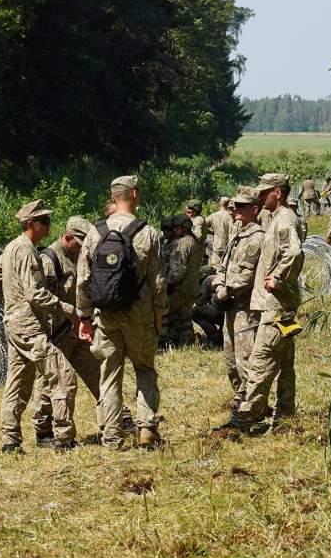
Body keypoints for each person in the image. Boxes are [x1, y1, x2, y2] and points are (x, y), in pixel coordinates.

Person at [76, 176, 167, 449]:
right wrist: (159, 315)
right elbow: (159, 281)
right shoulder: (148, 232)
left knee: (110, 374)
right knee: (144, 370)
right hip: (139, 315)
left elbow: (83, 279)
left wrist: (84, 317)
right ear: (135, 194)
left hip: (107, 315)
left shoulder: (95, 232)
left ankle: (112, 436)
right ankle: (147, 428)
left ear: (113, 196)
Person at [0, 200, 78, 453]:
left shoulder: (12, 247)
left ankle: (10, 441)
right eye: (43, 221)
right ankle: (64, 438)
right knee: (62, 375)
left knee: (18, 382)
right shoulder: (26, 250)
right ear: (30, 224)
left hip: (15, 324)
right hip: (29, 326)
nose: (48, 225)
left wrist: (10, 302)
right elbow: (35, 293)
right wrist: (68, 310)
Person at [220, 173, 305, 431]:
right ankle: (285, 414)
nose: (260, 196)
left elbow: (294, 251)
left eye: (264, 191)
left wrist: (277, 279)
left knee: (261, 360)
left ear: (277, 192)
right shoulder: (280, 218)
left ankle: (247, 415)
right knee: (284, 361)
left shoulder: (284, 220)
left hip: (276, 305)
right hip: (280, 304)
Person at [31, 216, 112, 451]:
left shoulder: (82, 256)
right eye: (78, 242)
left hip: (79, 330)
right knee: (54, 384)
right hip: (57, 332)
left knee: (98, 372)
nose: (81, 246)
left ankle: (115, 419)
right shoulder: (49, 259)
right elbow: (39, 298)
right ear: (67, 237)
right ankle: (45, 431)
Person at [213, 188, 265, 411]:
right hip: (230, 305)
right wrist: (218, 283)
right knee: (230, 357)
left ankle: (254, 402)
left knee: (246, 357)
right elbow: (223, 264)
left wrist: (227, 288)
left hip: (245, 306)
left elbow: (247, 275)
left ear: (254, 209)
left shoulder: (257, 237)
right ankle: (240, 393)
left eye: (242, 207)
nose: (236, 210)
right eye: (235, 206)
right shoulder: (237, 234)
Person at [161, 214, 201, 348]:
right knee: (184, 316)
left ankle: (163, 341)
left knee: (164, 313)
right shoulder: (191, 240)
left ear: (185, 228)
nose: (174, 231)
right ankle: (186, 342)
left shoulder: (183, 243)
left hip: (180, 288)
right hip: (191, 287)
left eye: (177, 228)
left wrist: (169, 284)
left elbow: (178, 268)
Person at [205, 197, 233, 267]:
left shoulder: (213, 216)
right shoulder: (232, 216)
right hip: (230, 249)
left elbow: (202, 226)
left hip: (217, 249)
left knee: (214, 271)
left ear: (219, 204)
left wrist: (212, 232)